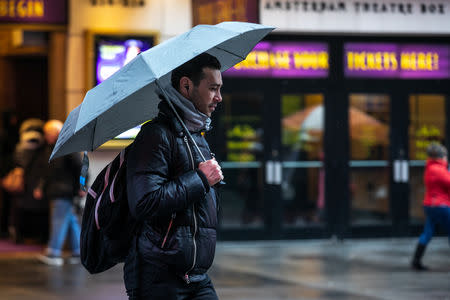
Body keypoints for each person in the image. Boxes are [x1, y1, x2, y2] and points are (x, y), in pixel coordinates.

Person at [124, 53, 224, 299]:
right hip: (159, 278)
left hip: (196, 276)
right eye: (213, 89)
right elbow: (144, 202)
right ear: (187, 86)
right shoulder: (155, 135)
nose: (219, 98)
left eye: (220, 89)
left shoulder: (196, 136)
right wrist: (200, 180)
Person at [35, 120, 83, 266]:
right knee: (70, 221)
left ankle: (54, 253)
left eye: (47, 133)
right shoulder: (52, 148)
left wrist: (82, 186)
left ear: (56, 133)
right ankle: (79, 251)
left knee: (59, 220)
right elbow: (47, 172)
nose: (45, 136)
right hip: (60, 190)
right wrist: (41, 187)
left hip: (64, 190)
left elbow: (81, 168)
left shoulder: (66, 147)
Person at [411, 142, 450, 270]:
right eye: (445, 155)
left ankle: (416, 260)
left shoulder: (430, 168)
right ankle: (416, 261)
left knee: (428, 232)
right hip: (441, 205)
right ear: (441, 157)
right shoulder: (439, 169)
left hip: (431, 204)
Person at [8, 118, 48, 244]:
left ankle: (19, 236)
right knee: (39, 212)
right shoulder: (44, 148)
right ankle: (40, 237)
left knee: (20, 210)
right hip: (35, 183)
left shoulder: (20, 148)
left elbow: (17, 161)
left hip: (25, 183)